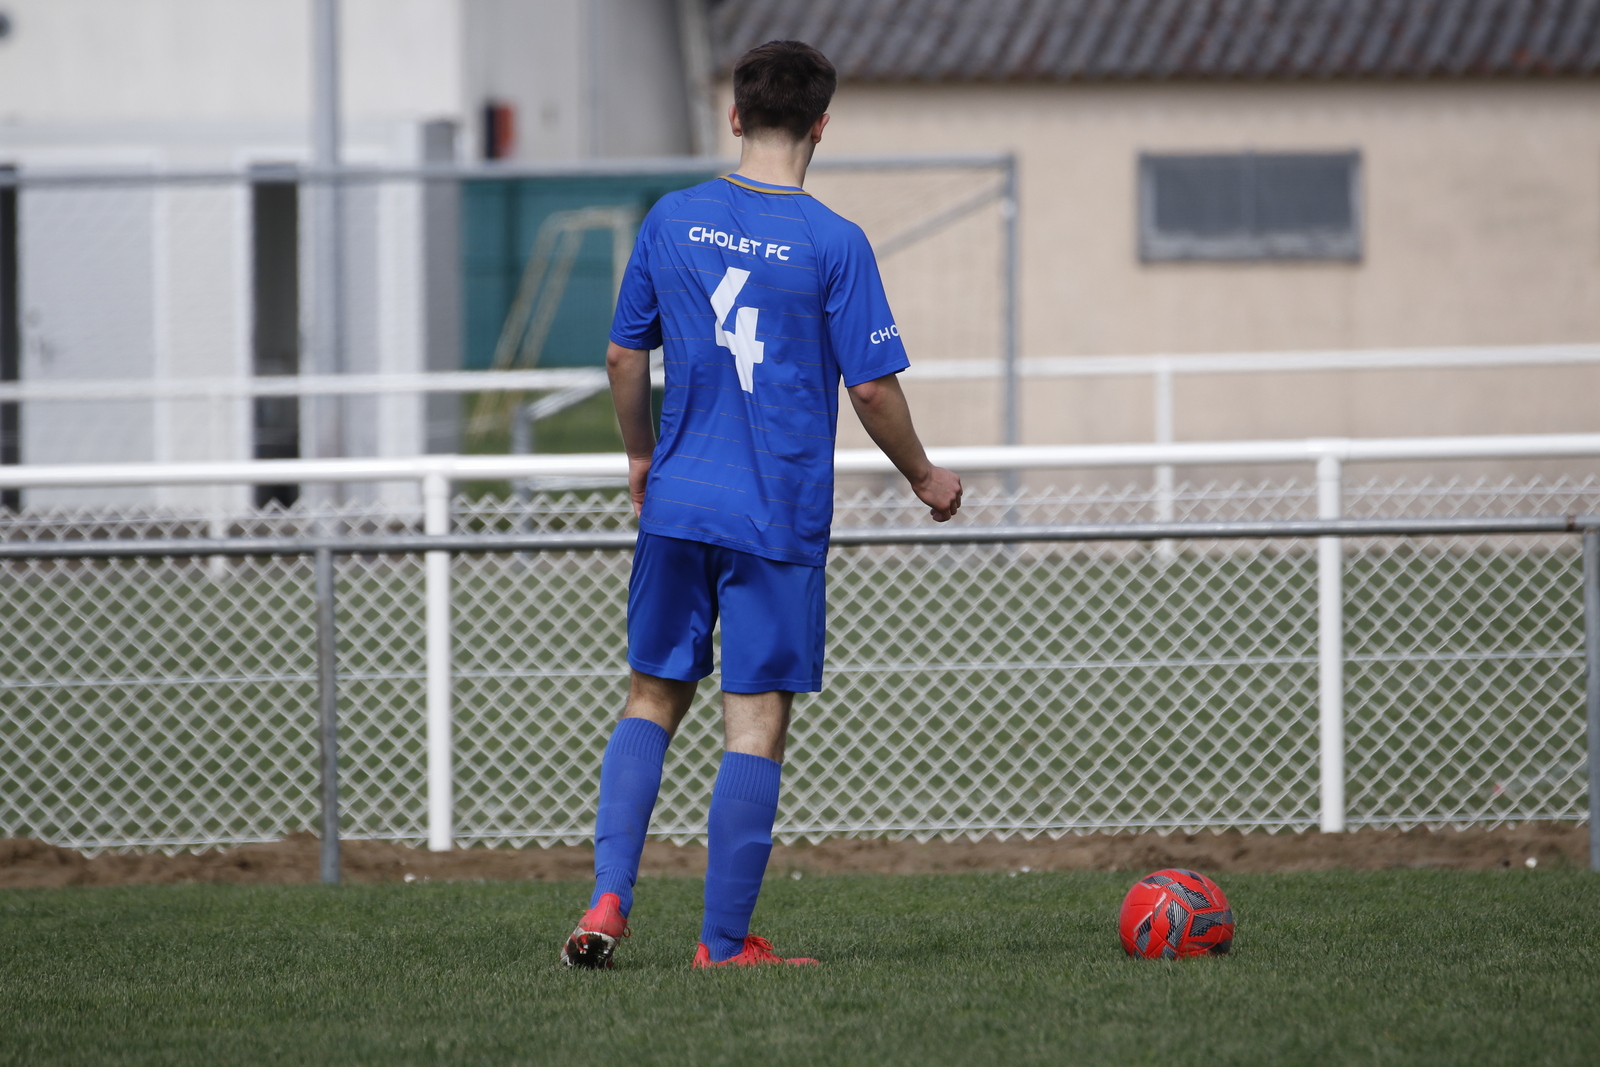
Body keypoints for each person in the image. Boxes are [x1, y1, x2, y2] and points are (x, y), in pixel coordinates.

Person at [560, 39, 962, 970]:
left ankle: (609, 897)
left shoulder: (672, 217)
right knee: (755, 721)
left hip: (678, 505)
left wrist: (640, 454)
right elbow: (871, 389)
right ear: (823, 125)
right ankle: (723, 943)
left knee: (651, 696)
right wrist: (922, 474)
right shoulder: (834, 241)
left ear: (736, 116)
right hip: (774, 517)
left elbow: (623, 356)